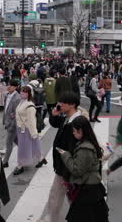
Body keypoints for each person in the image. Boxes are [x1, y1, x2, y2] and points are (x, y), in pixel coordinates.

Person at [39, 92, 81, 222]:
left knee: (56, 196)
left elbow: (74, 148)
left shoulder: (77, 122)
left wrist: (66, 170)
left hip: (66, 167)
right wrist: (54, 115)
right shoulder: (68, 118)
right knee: (67, 196)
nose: (59, 104)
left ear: (72, 104)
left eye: (63, 103)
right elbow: (57, 124)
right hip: (64, 165)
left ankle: (54, 218)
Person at [58, 116, 109, 222]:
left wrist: (65, 155)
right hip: (91, 188)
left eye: (74, 131)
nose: (73, 133)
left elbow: (77, 170)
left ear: (81, 131)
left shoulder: (85, 149)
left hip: (87, 190)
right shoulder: (87, 143)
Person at [13, 86, 46, 175]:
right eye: (21, 92)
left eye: (25, 92)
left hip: (26, 130)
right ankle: (41, 159)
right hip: (21, 129)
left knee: (22, 149)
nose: (22, 93)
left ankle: (20, 165)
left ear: (29, 94)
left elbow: (32, 121)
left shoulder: (30, 106)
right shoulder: (22, 102)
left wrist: (34, 133)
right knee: (34, 145)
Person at [2, 79, 21, 168]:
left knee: (8, 143)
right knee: (17, 141)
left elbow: (17, 114)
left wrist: (12, 125)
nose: (8, 86)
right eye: (8, 84)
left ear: (15, 87)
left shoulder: (17, 98)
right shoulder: (7, 95)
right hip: (7, 122)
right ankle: (29, 151)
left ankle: (5, 162)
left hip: (13, 125)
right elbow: (6, 109)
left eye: (11, 85)